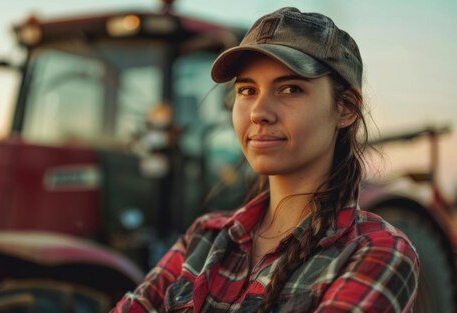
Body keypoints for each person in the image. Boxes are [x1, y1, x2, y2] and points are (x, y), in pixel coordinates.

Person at [113, 7, 419, 313]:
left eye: (290, 89)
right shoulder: (202, 239)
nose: (259, 112)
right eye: (247, 90)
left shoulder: (376, 251)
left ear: (346, 109)